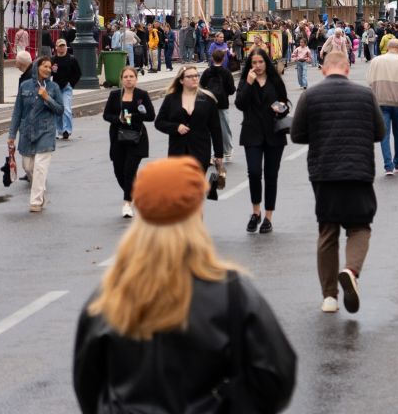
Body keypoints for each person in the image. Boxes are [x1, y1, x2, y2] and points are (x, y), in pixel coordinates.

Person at [72, 156, 296, 412]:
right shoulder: (230, 292)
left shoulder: (108, 297)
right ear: (197, 212)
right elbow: (276, 376)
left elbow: (88, 388)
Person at [290, 51, 385, 314]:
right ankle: (351, 270)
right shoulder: (365, 95)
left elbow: (297, 135)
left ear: (323, 69)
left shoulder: (310, 96)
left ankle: (329, 297)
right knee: (360, 227)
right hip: (358, 170)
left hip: (324, 172)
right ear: (347, 68)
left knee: (327, 231)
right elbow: (380, 132)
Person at [234, 48, 290, 234]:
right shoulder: (245, 81)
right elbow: (240, 104)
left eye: (260, 62)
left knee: (271, 176)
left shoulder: (275, 81)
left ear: (266, 63)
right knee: (254, 172)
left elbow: (285, 104)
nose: (257, 66)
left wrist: (281, 108)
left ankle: (268, 217)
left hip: (274, 133)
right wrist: (249, 84)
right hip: (252, 133)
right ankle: (255, 212)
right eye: (254, 63)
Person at [7, 56, 64, 212]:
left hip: (46, 131)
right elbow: (17, 112)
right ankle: (41, 192)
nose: (47, 69)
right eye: (44, 66)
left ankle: (35, 201)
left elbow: (60, 110)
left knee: (40, 167)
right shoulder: (25, 86)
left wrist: (47, 98)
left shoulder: (53, 87)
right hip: (27, 132)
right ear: (36, 67)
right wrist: (12, 134)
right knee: (28, 166)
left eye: (49, 67)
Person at [102, 66, 157, 218]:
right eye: (125, 77)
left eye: (131, 76)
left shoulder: (142, 95)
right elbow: (106, 115)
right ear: (121, 79)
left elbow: (151, 116)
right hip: (118, 138)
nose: (128, 79)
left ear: (136, 79)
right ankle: (136, 191)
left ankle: (127, 203)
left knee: (129, 170)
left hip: (136, 138)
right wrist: (118, 119)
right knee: (119, 171)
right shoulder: (114, 95)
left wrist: (134, 116)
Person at [154, 66, 224, 172]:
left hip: (200, 151)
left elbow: (216, 128)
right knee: (180, 186)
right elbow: (159, 122)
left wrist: (219, 154)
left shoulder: (207, 99)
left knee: (196, 186)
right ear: (181, 80)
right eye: (190, 76)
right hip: (177, 152)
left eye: (196, 75)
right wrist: (176, 127)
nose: (194, 78)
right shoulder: (171, 99)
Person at [367, 38, 398, 175]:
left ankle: (388, 165)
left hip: (381, 100)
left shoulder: (376, 61)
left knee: (385, 133)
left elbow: (370, 80)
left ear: (388, 47)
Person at [200, 47, 236, 162]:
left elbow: (201, 86)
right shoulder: (226, 73)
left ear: (212, 58)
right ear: (223, 58)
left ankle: (211, 154)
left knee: (209, 130)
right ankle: (228, 152)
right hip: (222, 103)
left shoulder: (207, 72)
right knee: (224, 129)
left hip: (209, 104)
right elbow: (231, 90)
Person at [51, 38, 81, 140]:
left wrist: (71, 84)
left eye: (63, 45)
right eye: (60, 46)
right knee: (57, 110)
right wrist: (52, 71)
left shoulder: (72, 59)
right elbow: (47, 73)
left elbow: (78, 73)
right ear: (56, 48)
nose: (62, 48)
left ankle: (67, 130)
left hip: (66, 88)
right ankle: (60, 130)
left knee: (66, 109)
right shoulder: (53, 60)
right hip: (55, 88)